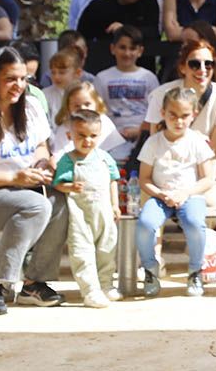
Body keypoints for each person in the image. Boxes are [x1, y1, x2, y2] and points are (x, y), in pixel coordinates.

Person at [0, 46, 67, 314]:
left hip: (21, 185)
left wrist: (42, 163)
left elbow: (41, 145)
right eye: (10, 79)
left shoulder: (29, 106)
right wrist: (13, 176)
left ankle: (34, 283)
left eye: (22, 79)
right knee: (36, 205)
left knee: (59, 199)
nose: (18, 86)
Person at [136, 86, 216, 298]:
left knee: (194, 223)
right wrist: (160, 194)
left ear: (194, 115)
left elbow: (208, 178)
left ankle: (195, 270)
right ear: (163, 113)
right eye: (173, 115)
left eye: (184, 116)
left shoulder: (197, 142)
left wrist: (185, 193)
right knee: (145, 224)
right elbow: (144, 178)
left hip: (189, 195)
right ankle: (150, 268)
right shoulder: (153, 142)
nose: (179, 121)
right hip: (160, 196)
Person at [142, 39, 216, 192]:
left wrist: (204, 185)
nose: (202, 70)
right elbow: (156, 145)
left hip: (204, 171)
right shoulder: (160, 95)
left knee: (213, 200)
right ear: (182, 67)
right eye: (195, 64)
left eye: (208, 64)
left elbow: (215, 153)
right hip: (165, 172)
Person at [51, 109, 120, 307]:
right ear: (69, 135)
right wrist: (69, 186)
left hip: (104, 213)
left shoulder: (105, 158)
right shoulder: (68, 159)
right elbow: (58, 183)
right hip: (80, 215)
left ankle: (106, 284)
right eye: (81, 136)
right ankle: (90, 290)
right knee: (83, 252)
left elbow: (113, 180)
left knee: (107, 249)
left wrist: (115, 205)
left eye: (93, 136)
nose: (87, 141)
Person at [95, 25, 159, 147]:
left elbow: (156, 111)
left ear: (140, 51)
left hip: (145, 136)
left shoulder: (149, 77)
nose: (127, 53)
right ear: (113, 49)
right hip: (110, 137)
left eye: (132, 48)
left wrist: (140, 130)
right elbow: (96, 112)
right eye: (122, 48)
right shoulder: (101, 78)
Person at [49, 81, 127, 163]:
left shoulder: (104, 122)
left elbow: (116, 150)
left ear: (96, 104)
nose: (83, 108)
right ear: (68, 107)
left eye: (87, 104)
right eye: (76, 106)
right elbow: (58, 155)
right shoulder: (66, 126)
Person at [43, 48, 84, 122]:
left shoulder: (85, 94)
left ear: (78, 73)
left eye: (62, 72)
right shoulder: (45, 95)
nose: (56, 76)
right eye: (53, 72)